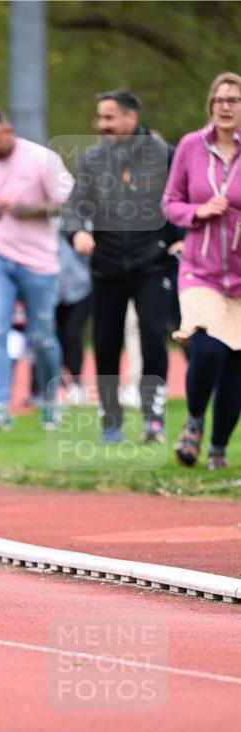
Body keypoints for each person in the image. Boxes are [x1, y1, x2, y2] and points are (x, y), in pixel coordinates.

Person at [62, 90, 173, 443]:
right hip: (106, 264)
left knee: (154, 337)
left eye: (109, 118)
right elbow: (74, 205)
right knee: (106, 344)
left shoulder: (165, 156)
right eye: (99, 118)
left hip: (152, 263)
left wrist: (178, 239)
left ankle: (154, 418)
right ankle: (111, 418)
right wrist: (77, 231)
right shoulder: (93, 159)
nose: (101, 125)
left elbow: (183, 200)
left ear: (131, 118)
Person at [0, 109, 74, 430]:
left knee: (42, 337)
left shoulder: (42, 159)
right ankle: (0, 407)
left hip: (38, 261)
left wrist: (32, 210)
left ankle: (50, 401)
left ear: (9, 131)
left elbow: (68, 201)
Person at [162, 71, 241, 471]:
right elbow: (170, 203)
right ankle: (194, 421)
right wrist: (198, 211)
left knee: (236, 362)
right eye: (219, 99)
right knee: (207, 349)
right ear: (211, 105)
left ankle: (219, 448)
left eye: (234, 99)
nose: (226, 106)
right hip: (200, 270)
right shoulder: (192, 147)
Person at [55, 228, 92, 405]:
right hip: (51, 288)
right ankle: (60, 382)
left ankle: (77, 384)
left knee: (72, 334)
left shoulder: (82, 213)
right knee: (56, 337)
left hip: (81, 287)